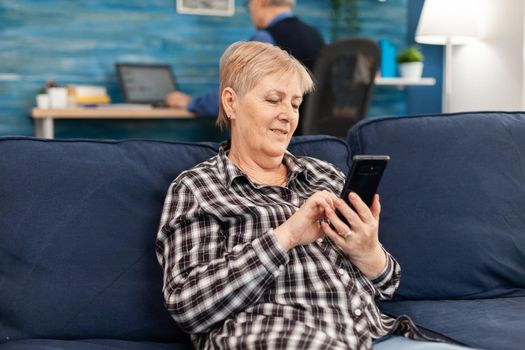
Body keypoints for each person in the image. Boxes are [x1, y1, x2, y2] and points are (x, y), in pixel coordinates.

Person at [156, 42, 469, 349]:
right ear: (231, 102)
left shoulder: (325, 175)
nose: (288, 115)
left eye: (294, 104)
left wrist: (368, 251)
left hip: (368, 334)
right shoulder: (198, 189)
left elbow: (388, 284)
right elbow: (187, 306)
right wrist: (286, 236)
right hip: (274, 335)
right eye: (273, 100)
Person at [165, 0, 325, 127]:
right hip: (311, 135)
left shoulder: (264, 39)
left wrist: (191, 103)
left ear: (260, 2)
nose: (251, 12)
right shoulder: (316, 36)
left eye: (249, 5)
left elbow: (236, 93)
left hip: (275, 135)